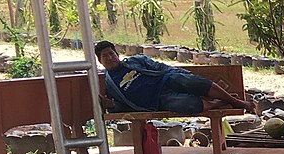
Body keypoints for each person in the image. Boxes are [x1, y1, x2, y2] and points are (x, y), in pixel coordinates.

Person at [94, 41, 250, 114]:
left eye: (111, 54)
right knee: (187, 105)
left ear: (117, 54)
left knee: (192, 82)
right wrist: (112, 105)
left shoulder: (135, 61)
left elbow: (159, 67)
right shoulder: (108, 83)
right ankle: (221, 102)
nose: (109, 58)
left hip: (165, 80)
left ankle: (236, 102)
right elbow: (121, 107)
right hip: (157, 101)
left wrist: (176, 73)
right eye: (104, 56)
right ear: (100, 61)